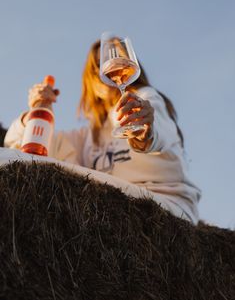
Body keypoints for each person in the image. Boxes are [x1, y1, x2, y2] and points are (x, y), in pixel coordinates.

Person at [4, 39, 201, 224]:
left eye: (118, 56)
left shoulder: (146, 97)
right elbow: (23, 148)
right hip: (116, 204)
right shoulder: (88, 137)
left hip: (164, 203)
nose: (109, 66)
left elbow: (158, 127)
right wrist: (36, 110)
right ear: (90, 79)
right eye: (98, 64)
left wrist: (144, 130)